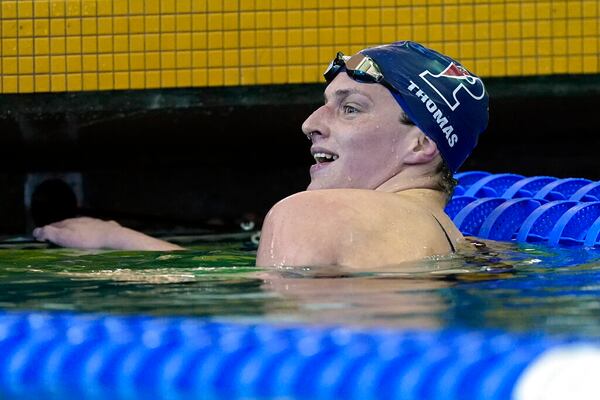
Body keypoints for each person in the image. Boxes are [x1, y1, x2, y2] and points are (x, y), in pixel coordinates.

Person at [33, 41, 489, 269]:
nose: (311, 123)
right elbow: (272, 282)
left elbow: (264, 323)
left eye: (350, 108)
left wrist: (119, 272)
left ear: (421, 144)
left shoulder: (313, 213)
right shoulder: (463, 245)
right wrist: (121, 240)